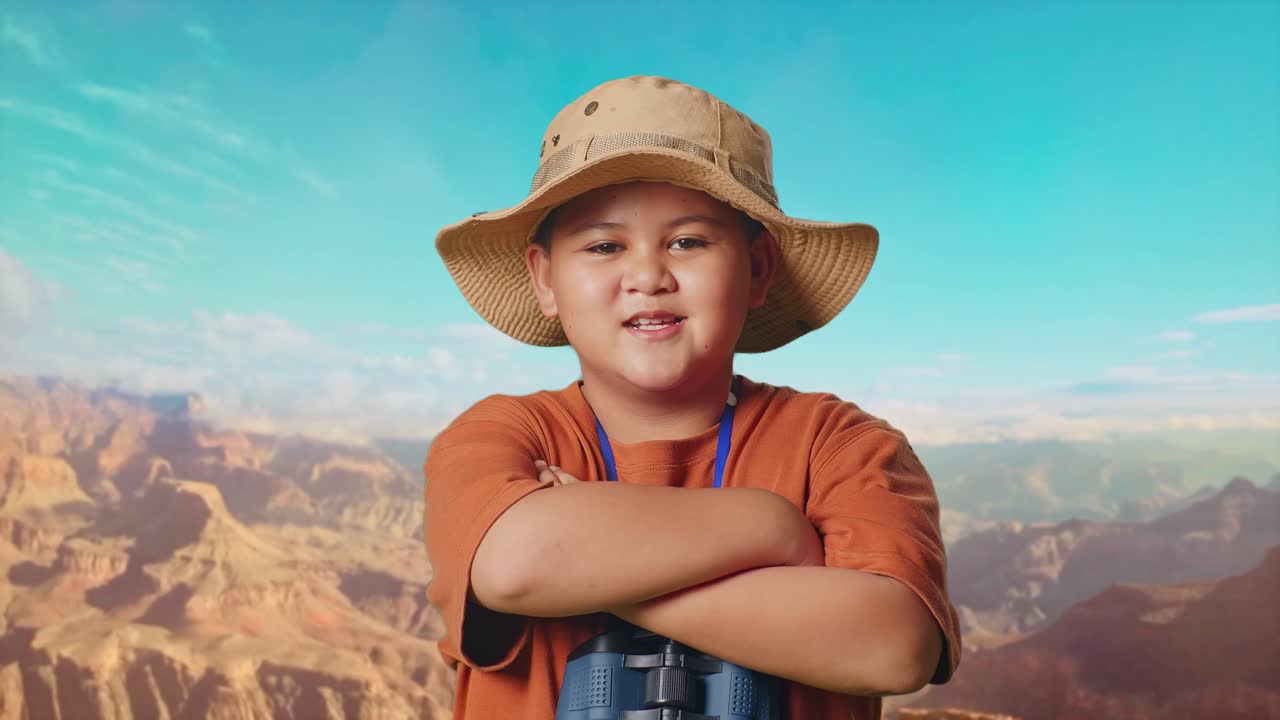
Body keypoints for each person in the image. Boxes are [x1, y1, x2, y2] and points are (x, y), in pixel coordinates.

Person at [423, 75, 962, 719]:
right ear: (545, 279)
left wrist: (590, 578)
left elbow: (894, 647)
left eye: (689, 241)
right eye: (604, 246)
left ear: (758, 269)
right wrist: (773, 525)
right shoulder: (503, 433)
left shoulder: (840, 444)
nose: (649, 275)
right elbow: (514, 565)